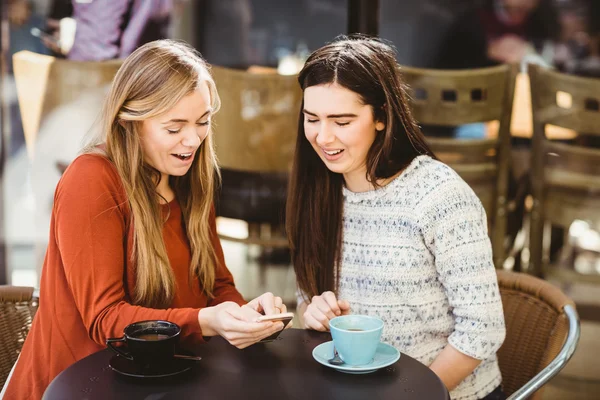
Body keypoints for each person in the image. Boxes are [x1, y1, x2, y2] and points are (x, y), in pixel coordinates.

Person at [2, 39, 289, 400]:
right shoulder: (91, 180)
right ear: (130, 121)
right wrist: (204, 322)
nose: (193, 139)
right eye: (174, 128)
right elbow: (105, 320)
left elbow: (216, 287)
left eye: (202, 122)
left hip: (158, 381)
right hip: (76, 387)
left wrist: (246, 314)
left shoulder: (190, 181)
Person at [286, 35, 507, 400]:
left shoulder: (438, 195)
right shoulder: (317, 189)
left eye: (341, 121)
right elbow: (305, 294)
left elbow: (483, 330)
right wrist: (313, 310)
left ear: (381, 117)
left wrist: (412, 394)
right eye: (312, 119)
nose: (323, 137)